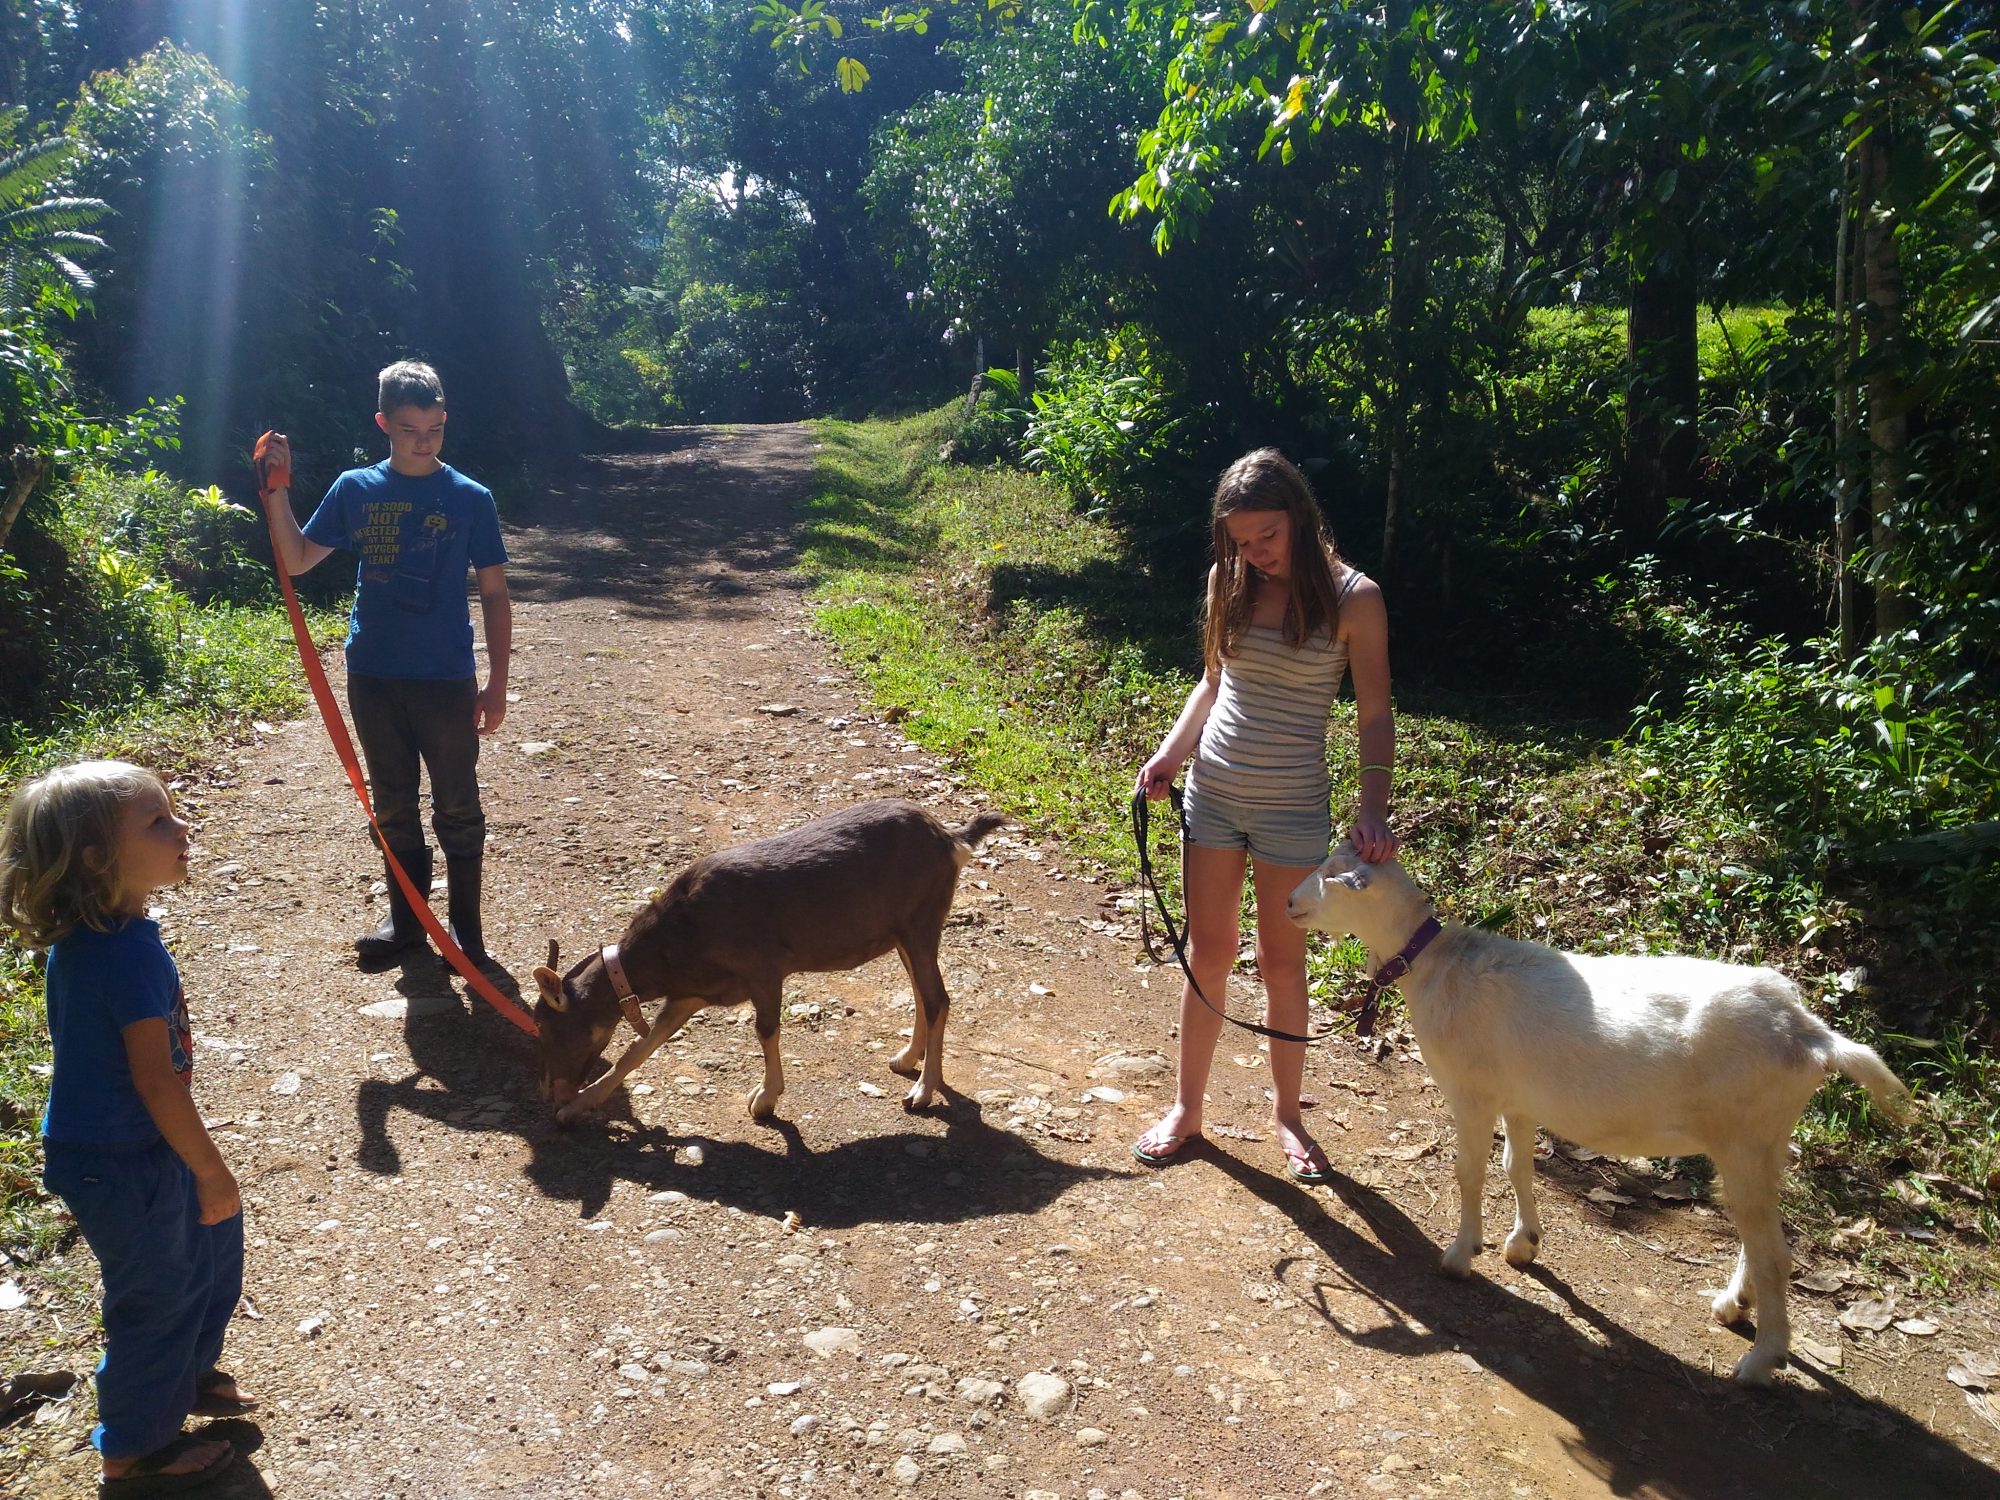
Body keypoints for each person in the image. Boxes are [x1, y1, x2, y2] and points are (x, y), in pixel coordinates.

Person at [1132, 448, 1397, 1183]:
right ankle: (1188, 1110)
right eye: (1242, 542)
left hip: (1294, 810)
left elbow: (1374, 717)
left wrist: (1372, 809)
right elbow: (1212, 685)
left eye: (1268, 538)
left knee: (1284, 964)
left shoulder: (1356, 599)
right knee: (1207, 953)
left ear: (1301, 519)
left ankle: (1287, 1116)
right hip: (1214, 796)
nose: (1256, 554)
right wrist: (1168, 756)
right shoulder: (1229, 582)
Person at [0, 760, 253, 1495]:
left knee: (210, 1250)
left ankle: (182, 1379)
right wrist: (210, 1168)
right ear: (94, 858)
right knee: (159, 1294)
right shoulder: (120, 954)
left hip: (134, 1149)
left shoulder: (108, 934)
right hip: (122, 1158)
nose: (183, 828)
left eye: (175, 812)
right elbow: (155, 1080)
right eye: (157, 821)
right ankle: (136, 1449)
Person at [256, 360, 511, 967]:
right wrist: (278, 487)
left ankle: (466, 937)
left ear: (444, 420)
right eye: (408, 429)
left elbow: (496, 593)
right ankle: (407, 928)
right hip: (374, 674)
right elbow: (295, 560)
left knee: (457, 803)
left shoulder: (471, 498)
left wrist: (497, 682)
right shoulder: (355, 488)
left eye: (433, 429)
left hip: (446, 677)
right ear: (383, 424)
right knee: (392, 804)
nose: (423, 441)